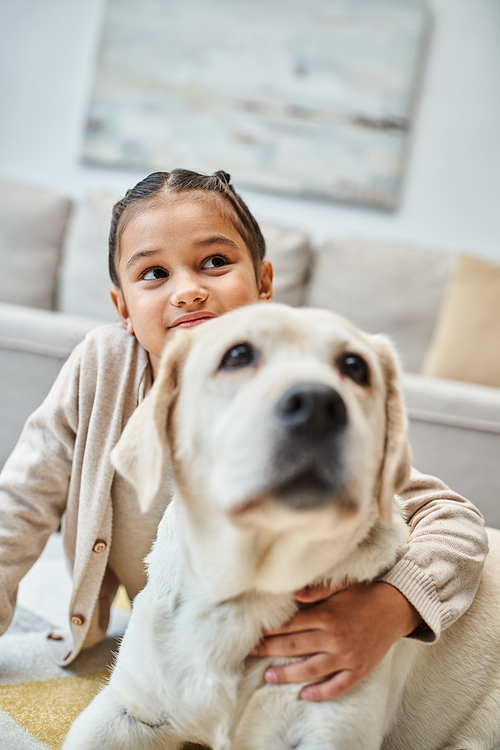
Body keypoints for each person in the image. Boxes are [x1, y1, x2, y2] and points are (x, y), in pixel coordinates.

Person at [0, 169, 487, 699]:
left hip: (275, 665)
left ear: (263, 284)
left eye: (214, 262)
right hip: (170, 643)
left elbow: (453, 518)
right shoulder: (100, 367)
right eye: (155, 274)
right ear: (123, 310)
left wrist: (390, 608)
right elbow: (22, 502)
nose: (187, 291)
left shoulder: (294, 393)